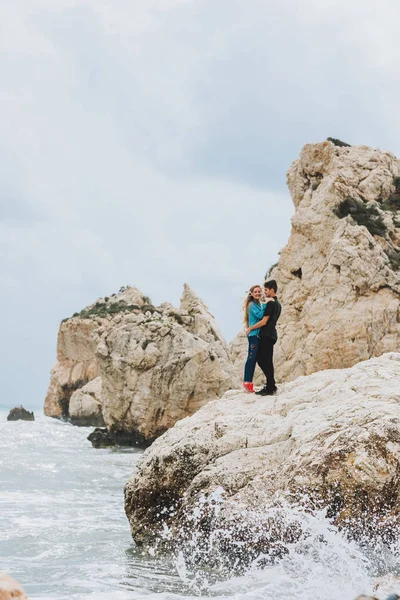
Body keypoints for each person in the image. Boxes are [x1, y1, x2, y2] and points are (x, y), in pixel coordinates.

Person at [246, 279, 281, 396]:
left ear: (271, 290)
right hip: (272, 334)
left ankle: (270, 387)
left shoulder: (270, 303)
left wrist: (251, 328)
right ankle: (271, 384)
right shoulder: (278, 303)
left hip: (266, 335)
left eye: (265, 290)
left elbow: (264, 321)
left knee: (262, 360)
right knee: (266, 360)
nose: (264, 292)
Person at [242, 285, 265, 393]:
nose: (258, 293)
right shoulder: (252, 305)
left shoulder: (257, 304)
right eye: (255, 292)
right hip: (253, 336)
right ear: (251, 293)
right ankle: (247, 382)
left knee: (255, 358)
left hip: (257, 335)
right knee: (251, 358)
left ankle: (250, 383)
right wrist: (266, 304)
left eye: (259, 291)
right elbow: (261, 315)